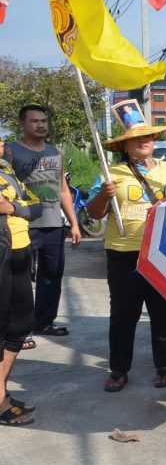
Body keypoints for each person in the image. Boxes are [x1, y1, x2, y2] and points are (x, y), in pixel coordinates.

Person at [86, 117, 166, 392]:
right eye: (136, 138)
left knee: (163, 313)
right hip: (123, 253)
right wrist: (104, 196)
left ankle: (165, 366)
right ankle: (118, 369)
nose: (144, 141)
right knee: (123, 314)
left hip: (162, 253)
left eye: (149, 137)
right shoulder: (111, 173)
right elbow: (94, 214)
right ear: (125, 146)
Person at [3, 105, 81, 343]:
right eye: (35, 121)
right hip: (21, 225)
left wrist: (74, 224)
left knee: (52, 275)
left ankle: (44, 322)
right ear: (22, 124)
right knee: (19, 279)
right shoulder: (11, 150)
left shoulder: (55, 152)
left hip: (53, 225)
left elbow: (63, 190)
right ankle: (17, 330)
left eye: (44, 121)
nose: (41, 125)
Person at [0, 139, 43, 426]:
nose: (0, 142)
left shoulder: (6, 171)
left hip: (20, 252)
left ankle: (1, 392)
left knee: (18, 327)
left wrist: (12, 207)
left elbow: (37, 205)